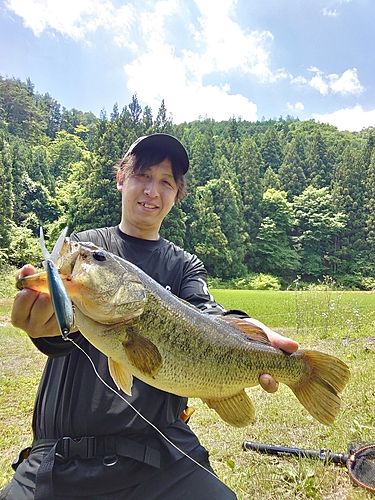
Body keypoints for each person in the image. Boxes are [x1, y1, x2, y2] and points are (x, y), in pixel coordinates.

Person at [1, 133, 299, 500]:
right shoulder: (87, 248)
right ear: (121, 179)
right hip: (63, 458)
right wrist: (41, 326)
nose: (152, 191)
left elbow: (209, 312)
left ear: (176, 195)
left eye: (166, 182)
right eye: (142, 175)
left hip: (161, 454)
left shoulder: (184, 265)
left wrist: (252, 330)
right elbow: (55, 332)